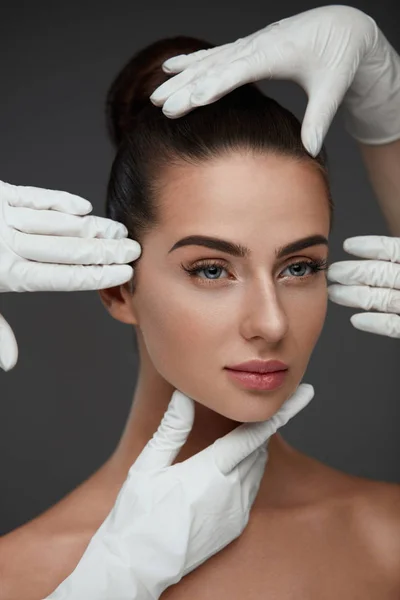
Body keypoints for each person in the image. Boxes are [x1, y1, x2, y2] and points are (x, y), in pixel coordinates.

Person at [1, 5, 399, 600]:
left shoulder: (386, 537)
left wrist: (384, 107)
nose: (270, 322)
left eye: (299, 267)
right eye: (212, 269)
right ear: (117, 286)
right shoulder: (21, 578)